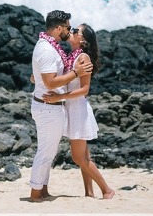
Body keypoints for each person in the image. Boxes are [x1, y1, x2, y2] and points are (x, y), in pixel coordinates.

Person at [45, 23, 115, 199]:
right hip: (72, 108)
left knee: (78, 158)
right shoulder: (73, 55)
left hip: (78, 110)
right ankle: (89, 193)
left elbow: (84, 90)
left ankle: (107, 190)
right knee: (84, 156)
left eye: (76, 31)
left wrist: (58, 97)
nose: (71, 31)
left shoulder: (83, 58)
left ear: (83, 40)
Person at [29, 10, 93, 202]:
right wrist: (76, 72)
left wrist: (36, 77)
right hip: (48, 107)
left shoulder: (49, 46)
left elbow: (44, 76)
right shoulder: (48, 50)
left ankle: (42, 190)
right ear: (58, 28)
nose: (69, 31)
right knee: (46, 152)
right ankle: (35, 193)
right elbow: (50, 83)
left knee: (49, 152)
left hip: (50, 106)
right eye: (67, 27)